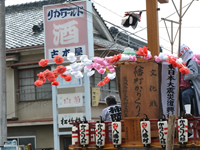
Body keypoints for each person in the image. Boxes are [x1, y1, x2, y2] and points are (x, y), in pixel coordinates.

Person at [179, 44, 200, 117]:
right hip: (182, 87)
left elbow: (193, 74)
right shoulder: (181, 64)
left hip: (191, 87)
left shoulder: (192, 62)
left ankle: (188, 112)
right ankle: (181, 113)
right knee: (178, 95)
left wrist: (185, 70)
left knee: (185, 94)